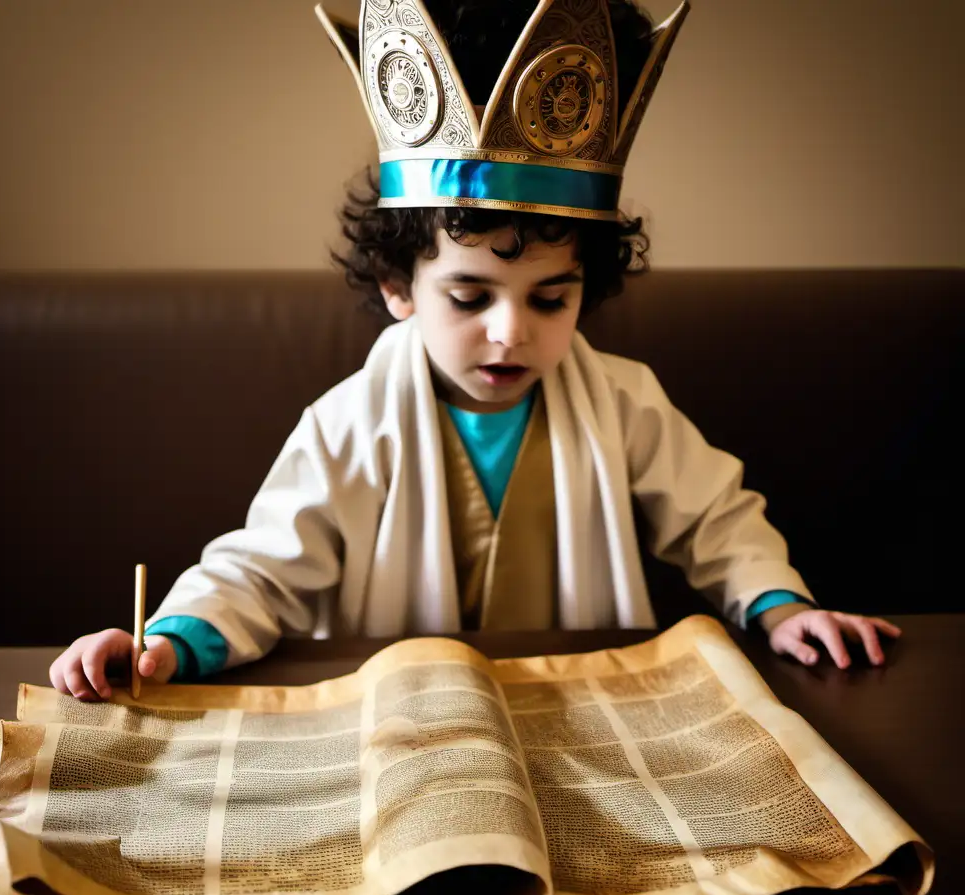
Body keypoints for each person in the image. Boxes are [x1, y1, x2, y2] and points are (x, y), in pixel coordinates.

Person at [49, 0, 900, 702]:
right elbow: (264, 571)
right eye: (468, 297)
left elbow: (715, 522)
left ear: (585, 292)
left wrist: (782, 607)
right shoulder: (349, 423)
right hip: (399, 715)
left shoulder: (624, 400)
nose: (510, 332)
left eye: (551, 298)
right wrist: (165, 643)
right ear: (397, 289)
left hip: (579, 703)